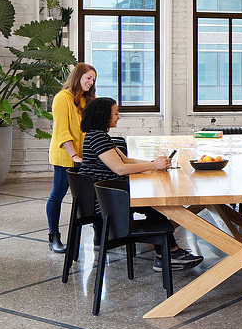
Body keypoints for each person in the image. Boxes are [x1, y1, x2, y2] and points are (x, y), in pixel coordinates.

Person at [79, 97, 204, 272]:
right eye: (115, 113)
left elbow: (126, 160)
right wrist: (154, 166)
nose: (119, 117)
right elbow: (120, 169)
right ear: (104, 116)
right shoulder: (98, 138)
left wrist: (153, 163)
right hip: (105, 201)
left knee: (153, 204)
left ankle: (167, 253)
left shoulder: (99, 136)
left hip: (107, 195)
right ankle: (168, 254)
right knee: (154, 205)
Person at [46, 63, 97, 253]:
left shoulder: (87, 100)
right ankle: (54, 237)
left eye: (93, 80)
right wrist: (74, 156)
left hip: (84, 157)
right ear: (77, 77)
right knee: (57, 195)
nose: (91, 83)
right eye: (88, 78)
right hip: (65, 157)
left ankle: (99, 233)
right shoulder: (62, 98)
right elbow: (62, 131)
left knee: (92, 194)